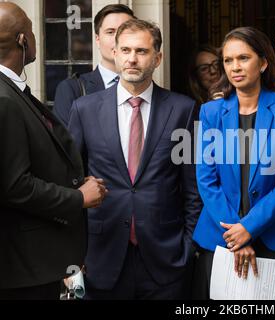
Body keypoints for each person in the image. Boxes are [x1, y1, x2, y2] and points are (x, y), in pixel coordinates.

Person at [68, 19, 201, 300]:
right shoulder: (84, 109)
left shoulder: (183, 110)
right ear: (114, 53)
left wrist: (187, 246)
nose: (132, 58)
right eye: (125, 50)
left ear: (157, 57)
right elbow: (72, 183)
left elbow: (192, 187)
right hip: (101, 257)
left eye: (141, 51)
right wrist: (74, 253)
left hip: (166, 259)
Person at [192, 26, 275, 300]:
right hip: (221, 237)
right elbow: (206, 179)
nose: (235, 67)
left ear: (264, 62)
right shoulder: (211, 112)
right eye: (228, 60)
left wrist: (250, 227)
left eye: (243, 58)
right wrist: (236, 233)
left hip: (274, 236)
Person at [0, 2, 106, 300]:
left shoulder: (12, 91)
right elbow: (14, 186)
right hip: (21, 271)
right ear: (23, 40)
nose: (35, 38)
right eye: (32, 31)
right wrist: (78, 198)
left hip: (34, 265)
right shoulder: (4, 99)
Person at [53, 4, 135, 126]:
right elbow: (64, 142)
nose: (118, 39)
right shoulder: (71, 90)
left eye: (125, 31)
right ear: (97, 39)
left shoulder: (147, 87)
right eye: (110, 32)